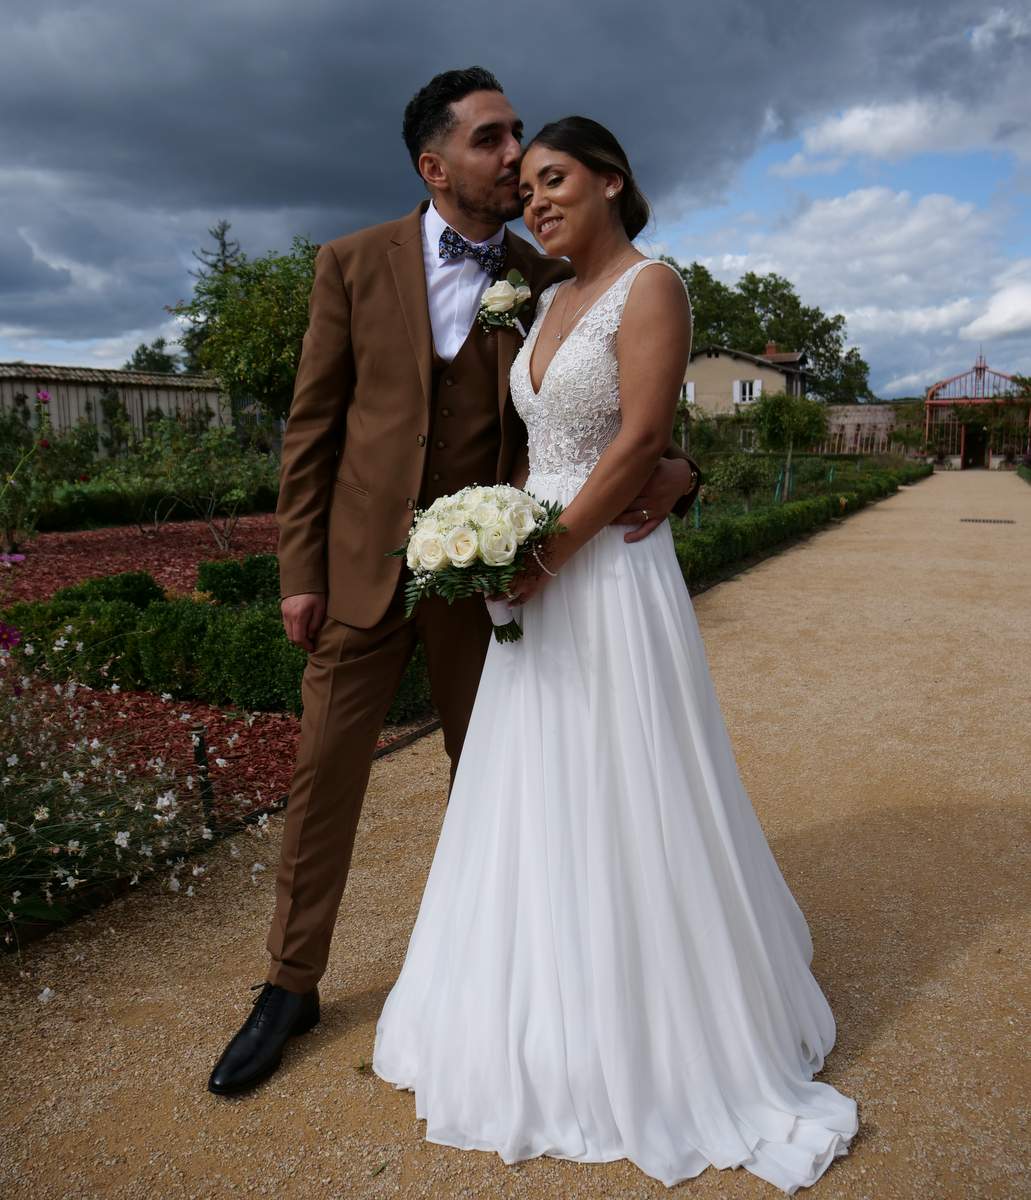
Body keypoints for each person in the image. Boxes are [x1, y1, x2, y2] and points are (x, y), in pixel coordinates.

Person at [371, 116, 858, 1194]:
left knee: (627, 774)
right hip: (536, 566)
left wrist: (548, 545)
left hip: (600, 568)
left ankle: (653, 1023)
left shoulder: (654, 285)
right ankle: (539, 1000)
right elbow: (539, 440)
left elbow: (638, 437)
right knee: (532, 780)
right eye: (525, 187)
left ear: (610, 182)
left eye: (554, 180)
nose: (535, 199)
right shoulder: (541, 302)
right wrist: (505, 541)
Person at [208, 71, 700, 1096]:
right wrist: (300, 570)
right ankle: (288, 987)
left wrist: (684, 469)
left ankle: (535, 981)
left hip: (492, 584)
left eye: (520, 137)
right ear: (434, 164)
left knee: (510, 785)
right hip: (358, 574)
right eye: (491, 139)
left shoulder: (550, 271)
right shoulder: (348, 265)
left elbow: (610, 414)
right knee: (322, 785)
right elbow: (312, 428)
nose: (512, 155)